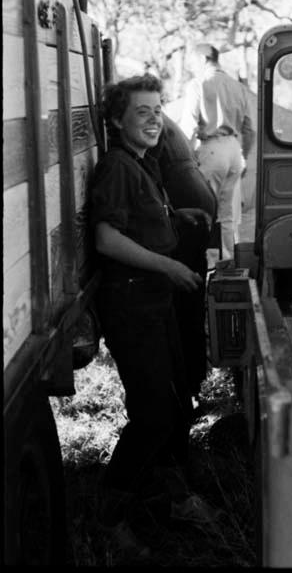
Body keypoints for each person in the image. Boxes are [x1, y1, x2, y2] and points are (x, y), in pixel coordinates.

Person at [90, 74, 210, 549]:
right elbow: (107, 238)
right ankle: (108, 518)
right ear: (118, 121)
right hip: (133, 303)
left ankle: (175, 500)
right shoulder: (116, 166)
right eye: (143, 112)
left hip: (154, 298)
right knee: (155, 413)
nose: (155, 119)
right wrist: (170, 266)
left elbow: (139, 219)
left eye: (159, 110)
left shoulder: (143, 163)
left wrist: (176, 218)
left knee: (177, 400)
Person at [151, 115, 217, 400]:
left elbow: (149, 176)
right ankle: (194, 377)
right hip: (195, 201)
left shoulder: (143, 121)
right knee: (190, 296)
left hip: (185, 205)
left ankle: (187, 381)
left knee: (182, 301)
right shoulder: (161, 117)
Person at [179, 43, 255, 259]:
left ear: (203, 59)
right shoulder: (237, 86)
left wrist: (187, 158)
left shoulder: (198, 84)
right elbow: (249, 129)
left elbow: (188, 128)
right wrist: (243, 156)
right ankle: (229, 262)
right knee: (228, 214)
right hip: (234, 149)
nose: (191, 67)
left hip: (211, 149)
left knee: (203, 209)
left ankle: (205, 262)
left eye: (192, 62)